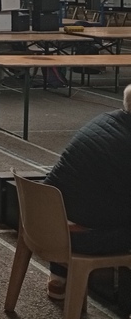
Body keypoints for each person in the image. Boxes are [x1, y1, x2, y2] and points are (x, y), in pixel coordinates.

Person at [43, 85, 131, 301]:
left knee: (83, 196)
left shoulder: (104, 120)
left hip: (43, 223)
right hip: (79, 237)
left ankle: (58, 280)